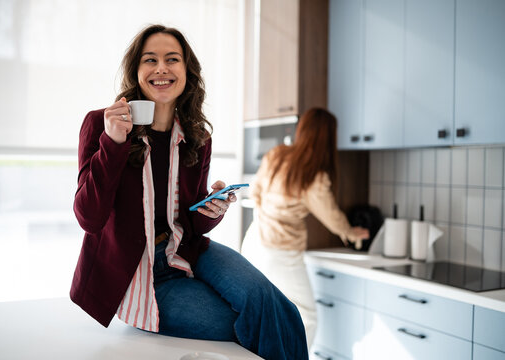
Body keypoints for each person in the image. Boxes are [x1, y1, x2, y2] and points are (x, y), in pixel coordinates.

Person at [70, 24, 308, 360]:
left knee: (282, 312)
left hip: (187, 250)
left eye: (172, 59)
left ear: (186, 71)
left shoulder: (198, 136)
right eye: (150, 60)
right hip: (139, 273)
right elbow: (89, 218)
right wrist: (113, 143)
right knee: (254, 323)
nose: (161, 68)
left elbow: (191, 222)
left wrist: (213, 209)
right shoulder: (101, 124)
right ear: (137, 71)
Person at [241, 107, 369, 349]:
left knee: (260, 312)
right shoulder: (313, 175)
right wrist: (352, 233)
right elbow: (330, 215)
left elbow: (255, 192)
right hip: (280, 252)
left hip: (253, 241)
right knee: (306, 317)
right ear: (327, 137)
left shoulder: (277, 154)